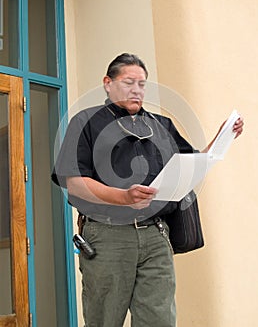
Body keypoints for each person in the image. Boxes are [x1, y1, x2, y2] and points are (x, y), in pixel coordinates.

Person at [52, 53, 243, 327]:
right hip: (107, 237)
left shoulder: (161, 125)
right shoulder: (85, 121)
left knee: (160, 320)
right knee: (104, 320)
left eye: (142, 84)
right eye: (129, 82)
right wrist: (123, 197)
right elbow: (75, 182)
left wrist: (223, 136)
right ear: (107, 83)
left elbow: (192, 164)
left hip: (156, 235)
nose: (137, 90)